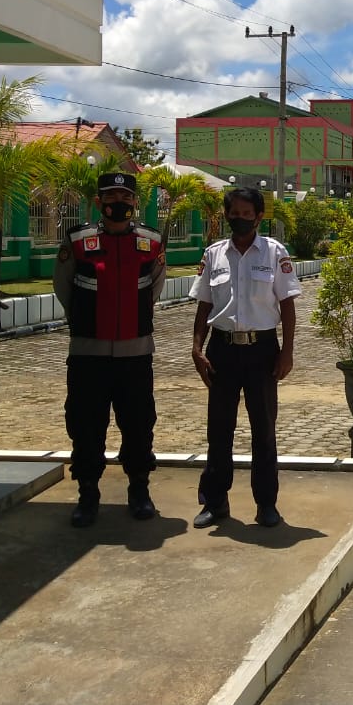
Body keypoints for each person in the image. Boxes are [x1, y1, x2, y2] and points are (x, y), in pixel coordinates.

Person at [52, 172, 166, 528]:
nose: (119, 201)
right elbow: (63, 288)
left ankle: (139, 490)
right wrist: (88, 323)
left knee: (138, 424)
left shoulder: (152, 242)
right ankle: (88, 494)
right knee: (85, 425)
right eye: (111, 195)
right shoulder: (78, 240)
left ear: (135, 201)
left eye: (126, 195)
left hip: (135, 352)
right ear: (99, 202)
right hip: (88, 352)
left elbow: (154, 289)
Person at [190, 186, 300, 529]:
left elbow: (287, 305)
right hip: (221, 351)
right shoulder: (213, 255)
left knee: (264, 429)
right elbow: (204, 304)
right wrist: (196, 347)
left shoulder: (273, 253)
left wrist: (287, 351)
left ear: (259, 216)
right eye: (233, 213)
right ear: (227, 215)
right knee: (218, 430)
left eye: (246, 213)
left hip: (262, 351)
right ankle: (215, 502)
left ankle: (266, 503)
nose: (239, 219)